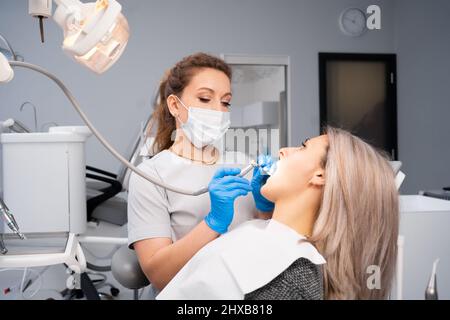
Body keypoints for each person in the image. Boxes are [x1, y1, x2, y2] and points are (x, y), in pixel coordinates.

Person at [156, 127, 399, 300]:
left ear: (321, 176)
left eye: (303, 147)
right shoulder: (267, 235)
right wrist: (262, 213)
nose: (282, 150)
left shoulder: (293, 280)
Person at [127, 52, 275, 293]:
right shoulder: (150, 176)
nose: (218, 110)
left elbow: (268, 249)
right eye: (205, 98)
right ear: (175, 105)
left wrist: (266, 209)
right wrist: (213, 222)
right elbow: (159, 276)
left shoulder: (245, 165)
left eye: (225, 102)